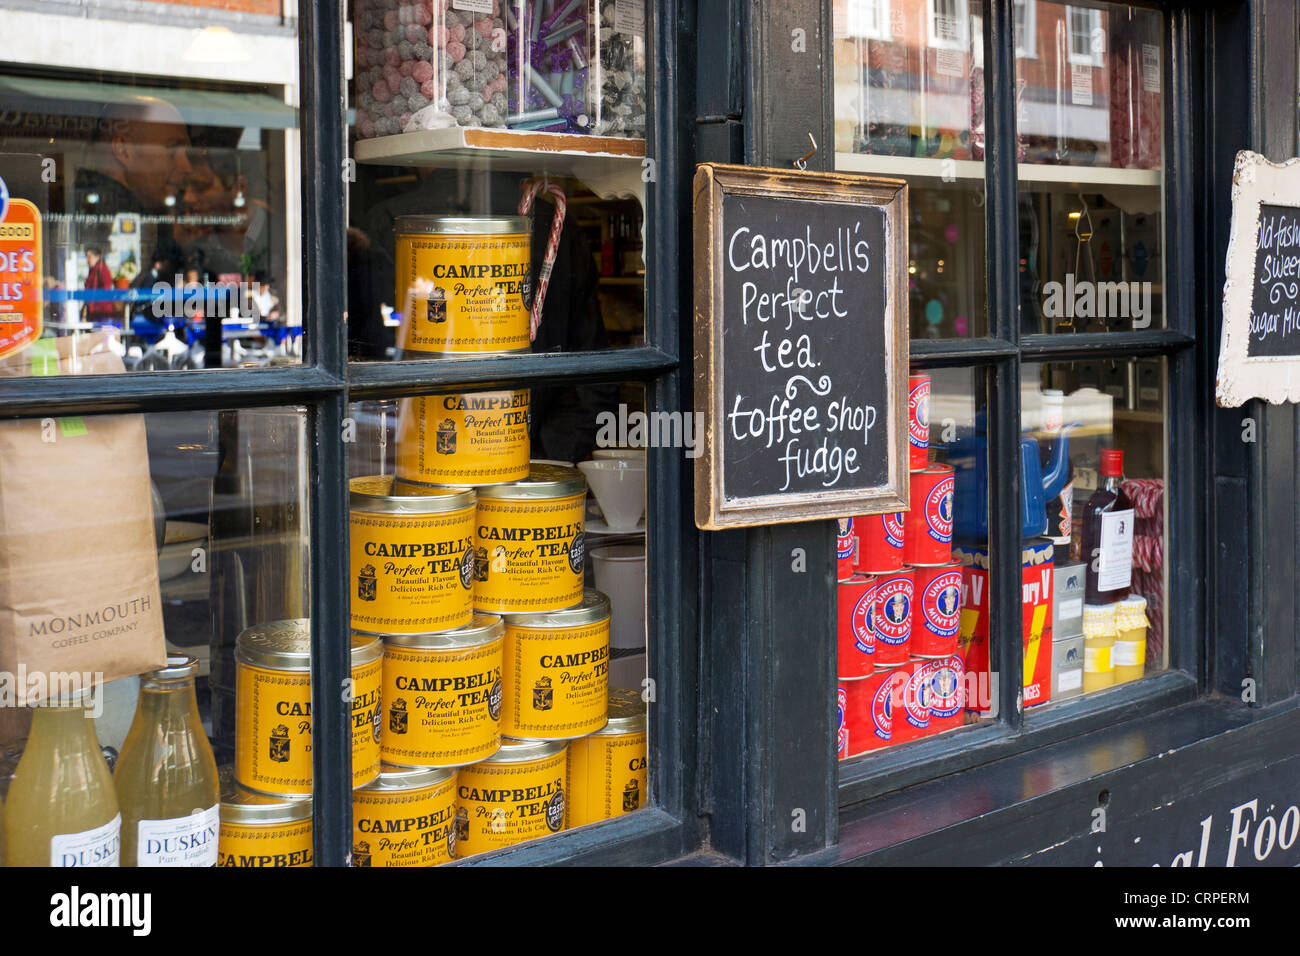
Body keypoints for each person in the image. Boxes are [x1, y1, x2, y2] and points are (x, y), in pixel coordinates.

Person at [82, 247, 117, 323]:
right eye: (86, 257)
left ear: (97, 257)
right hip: (94, 312)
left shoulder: (102, 269)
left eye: (89, 256)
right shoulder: (93, 271)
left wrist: (95, 307)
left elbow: (106, 290)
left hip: (102, 313)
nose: (87, 260)